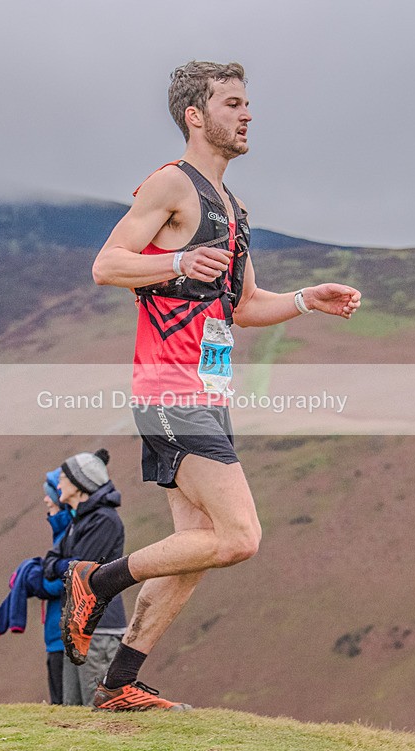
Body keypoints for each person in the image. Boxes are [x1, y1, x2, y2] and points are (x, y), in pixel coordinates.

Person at [61, 60, 362, 711]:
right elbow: (106, 265)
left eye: (247, 103)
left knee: (193, 548)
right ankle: (97, 580)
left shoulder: (237, 209)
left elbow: (243, 306)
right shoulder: (172, 184)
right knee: (240, 536)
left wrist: (307, 299)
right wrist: (175, 258)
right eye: (232, 103)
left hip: (209, 394)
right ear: (195, 115)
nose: (247, 114)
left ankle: (118, 684)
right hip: (169, 390)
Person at [43, 449, 127, 706]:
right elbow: (50, 563)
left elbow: (81, 572)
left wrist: (64, 565)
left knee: (96, 705)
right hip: (77, 626)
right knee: (73, 709)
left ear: (80, 483)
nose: (58, 485)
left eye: (63, 479)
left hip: (99, 627)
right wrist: (65, 565)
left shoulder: (105, 521)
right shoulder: (78, 521)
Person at [42, 468, 73, 704]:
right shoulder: (62, 530)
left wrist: (38, 581)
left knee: (64, 703)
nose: (46, 500)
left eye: (49, 495)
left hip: (63, 634)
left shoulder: (68, 532)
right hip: (57, 634)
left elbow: (64, 580)